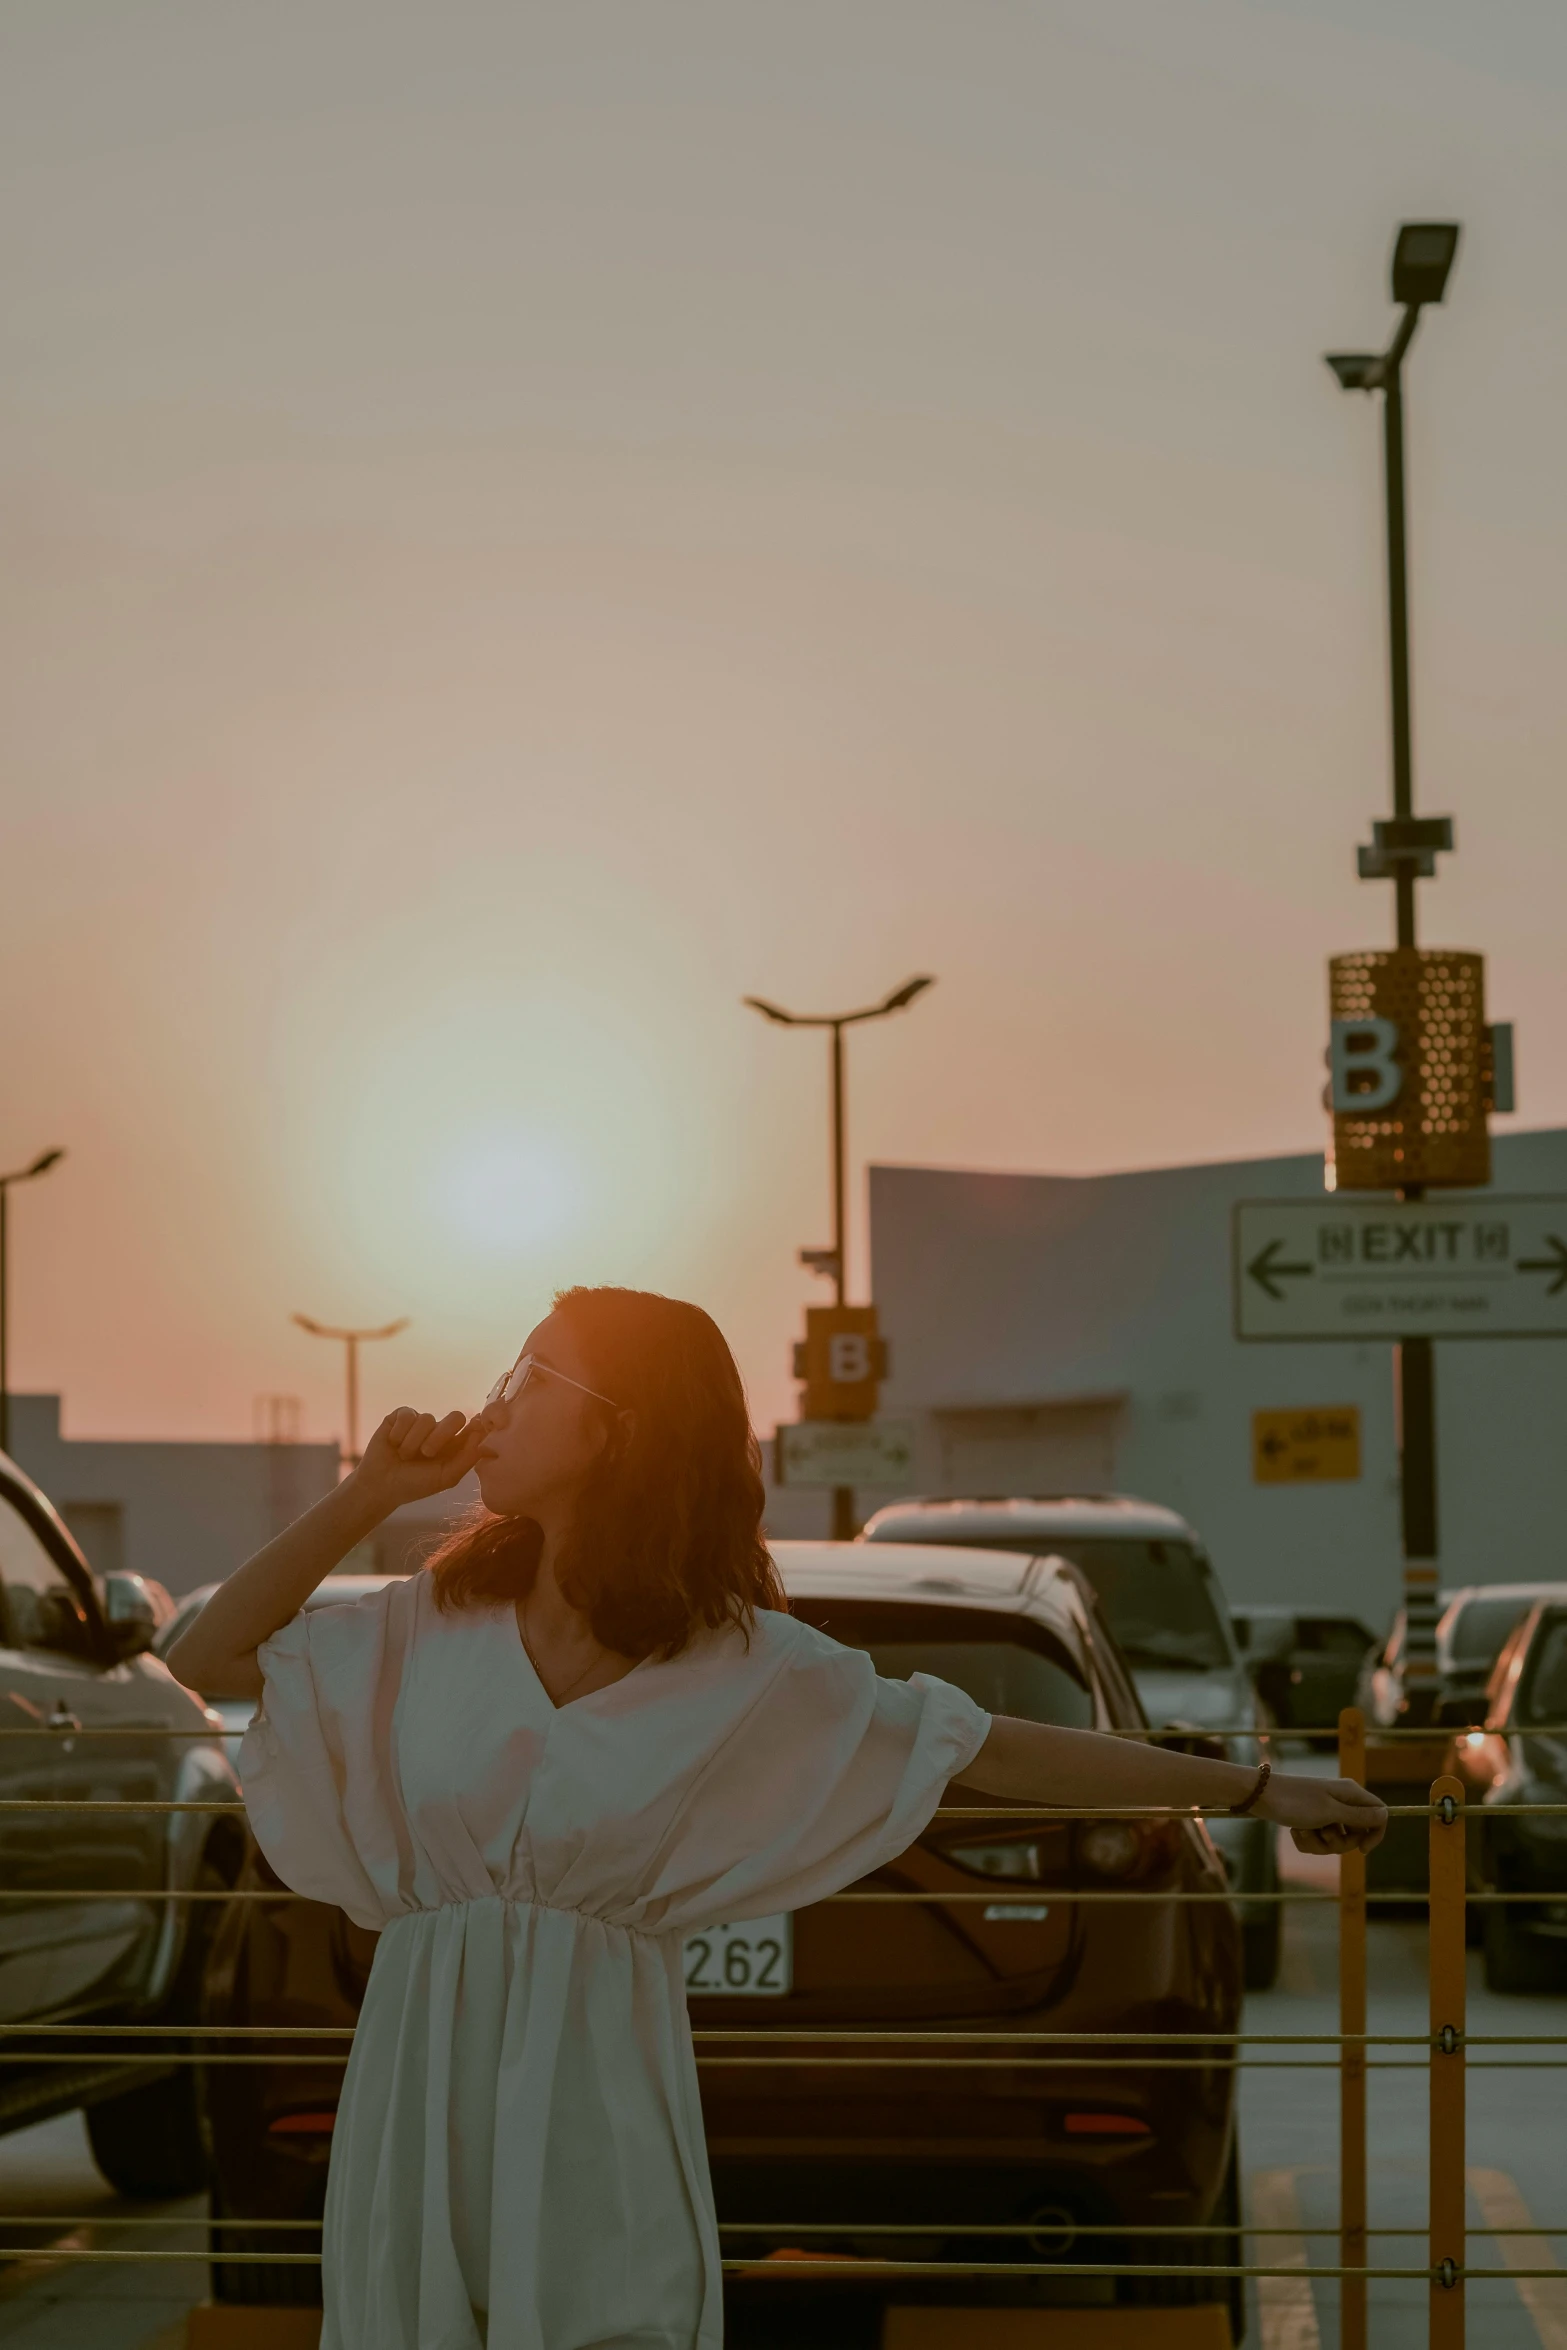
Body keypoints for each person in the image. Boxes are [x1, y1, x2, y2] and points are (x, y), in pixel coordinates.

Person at [170, 1284, 1385, 2350]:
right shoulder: (423, 1622)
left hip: (597, 2095)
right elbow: (203, 1652)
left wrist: (1253, 1787)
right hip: (420, 2077)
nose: (495, 1406)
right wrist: (370, 1491)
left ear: (615, 1427)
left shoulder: (742, 1667)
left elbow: (989, 1750)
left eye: (531, 1378)